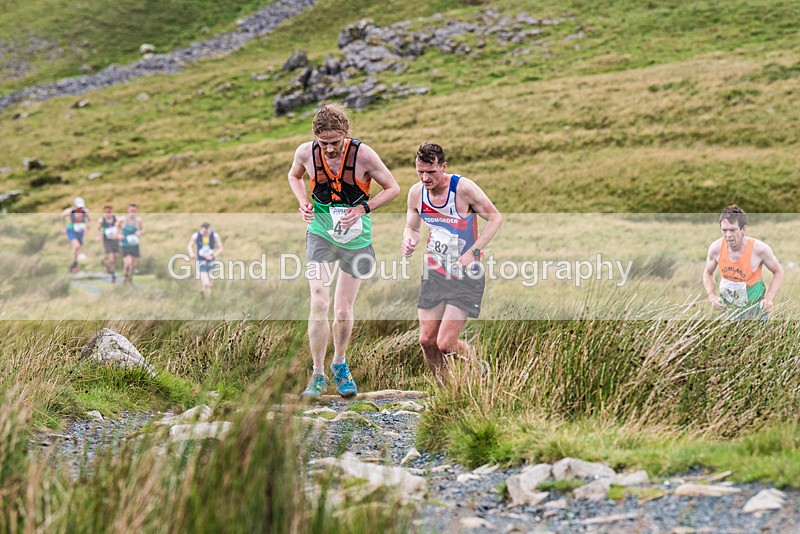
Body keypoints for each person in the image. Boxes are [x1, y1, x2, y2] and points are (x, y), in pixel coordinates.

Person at [287, 103, 400, 399]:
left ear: (346, 134)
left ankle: (340, 363)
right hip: (320, 234)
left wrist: (363, 208)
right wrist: (303, 202)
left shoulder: (364, 155)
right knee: (319, 301)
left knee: (342, 309)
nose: (330, 149)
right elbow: (294, 176)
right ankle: (317, 374)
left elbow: (393, 188)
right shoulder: (305, 153)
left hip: (356, 238)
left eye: (335, 142)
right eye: (324, 143)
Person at [401, 142, 502, 380]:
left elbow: (495, 219)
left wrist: (473, 253)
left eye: (431, 172)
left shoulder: (463, 189)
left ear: (443, 167)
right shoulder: (416, 193)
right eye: (420, 172)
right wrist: (408, 240)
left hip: (466, 275)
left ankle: (477, 366)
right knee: (427, 341)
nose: (425, 178)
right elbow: (411, 227)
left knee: (445, 343)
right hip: (435, 273)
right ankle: (444, 390)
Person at [703, 205, 783, 319]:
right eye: (724, 230)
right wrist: (712, 296)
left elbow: (778, 271)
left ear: (743, 229)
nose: (728, 235)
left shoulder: (759, 249)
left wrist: (768, 299)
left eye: (733, 230)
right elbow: (707, 273)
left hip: (756, 311)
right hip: (727, 311)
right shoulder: (715, 248)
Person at [187, 222, 224, 298]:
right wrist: (191, 254)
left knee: (209, 283)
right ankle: (208, 300)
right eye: (204, 231)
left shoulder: (215, 236)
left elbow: (220, 248)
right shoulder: (196, 236)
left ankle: (203, 293)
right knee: (207, 283)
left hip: (212, 262)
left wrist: (213, 255)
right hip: (201, 261)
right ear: (201, 230)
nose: (206, 233)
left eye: (208, 231)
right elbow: (189, 246)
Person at [60, 197, 91, 273]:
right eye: (78, 207)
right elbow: (62, 216)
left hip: (80, 230)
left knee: (77, 248)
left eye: (81, 207)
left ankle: (74, 264)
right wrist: (63, 227)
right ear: (75, 205)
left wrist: (87, 229)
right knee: (76, 246)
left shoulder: (85, 211)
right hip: (71, 230)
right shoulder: (70, 211)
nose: (80, 208)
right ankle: (74, 265)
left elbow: (89, 220)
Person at [117, 203, 143, 286]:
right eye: (131, 210)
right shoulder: (123, 219)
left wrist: (139, 232)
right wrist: (119, 234)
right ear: (128, 211)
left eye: (135, 211)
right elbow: (117, 227)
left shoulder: (138, 220)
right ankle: (125, 277)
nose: (133, 212)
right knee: (128, 263)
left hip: (134, 244)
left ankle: (130, 280)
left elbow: (142, 230)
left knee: (133, 264)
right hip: (125, 244)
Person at [97, 204, 119, 283]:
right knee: (111, 258)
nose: (108, 212)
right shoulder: (102, 220)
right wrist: (99, 236)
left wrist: (118, 234)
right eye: (106, 211)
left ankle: (106, 263)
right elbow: (99, 228)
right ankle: (113, 275)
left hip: (115, 241)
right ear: (104, 211)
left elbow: (119, 226)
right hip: (107, 241)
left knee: (115, 258)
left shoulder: (115, 218)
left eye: (109, 211)